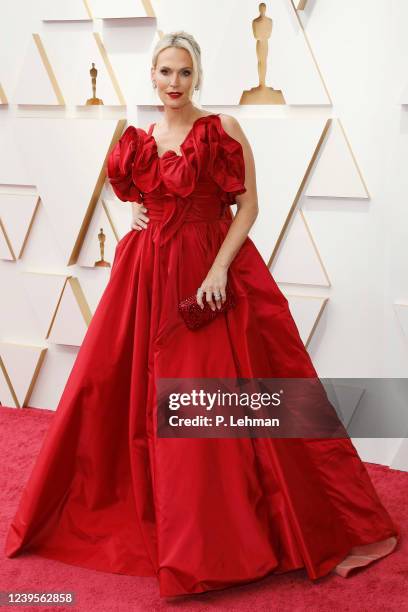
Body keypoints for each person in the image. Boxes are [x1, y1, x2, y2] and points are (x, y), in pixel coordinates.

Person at [4, 30, 399, 599]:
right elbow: (143, 198)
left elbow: (250, 206)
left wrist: (217, 270)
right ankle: (172, 529)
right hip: (146, 279)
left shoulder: (222, 130)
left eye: (184, 73)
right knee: (135, 393)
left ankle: (229, 537)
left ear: (198, 76)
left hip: (210, 275)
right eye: (165, 72)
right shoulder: (139, 139)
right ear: (152, 75)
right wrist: (135, 219)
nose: (173, 83)